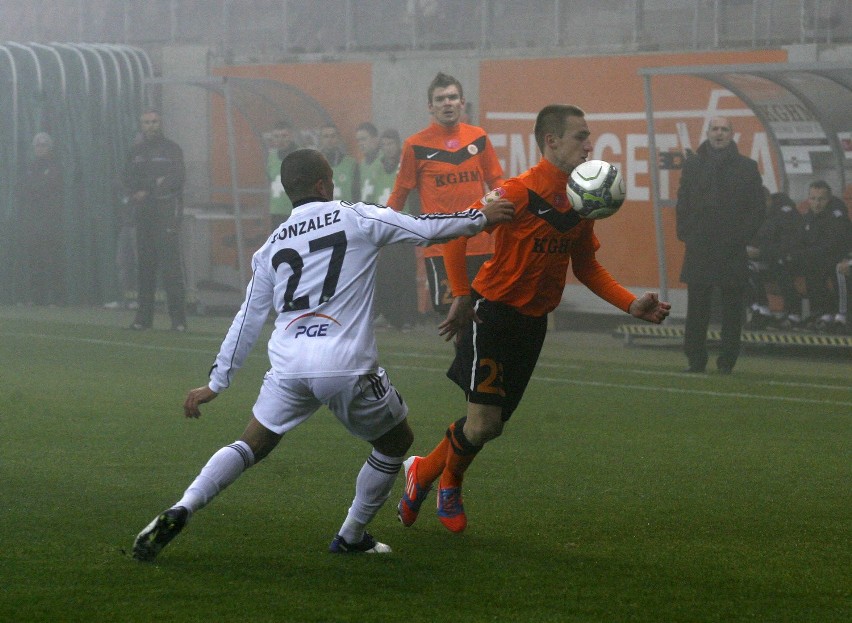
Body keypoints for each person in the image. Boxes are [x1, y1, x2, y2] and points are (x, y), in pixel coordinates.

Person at [131, 148, 514, 560]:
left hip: (289, 365)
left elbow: (248, 318)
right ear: (321, 184)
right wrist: (480, 218)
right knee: (396, 440)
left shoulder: (272, 246)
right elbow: (424, 229)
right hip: (344, 363)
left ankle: (184, 505)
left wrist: (216, 382)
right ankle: (351, 536)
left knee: (252, 443)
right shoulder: (355, 216)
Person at [395, 105, 671, 534]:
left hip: (532, 322)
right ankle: (444, 479)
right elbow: (455, 233)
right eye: (580, 136)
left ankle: (425, 473)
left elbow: (587, 267)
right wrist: (462, 294)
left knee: (491, 426)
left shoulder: (581, 200)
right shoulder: (517, 192)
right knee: (483, 423)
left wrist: (630, 304)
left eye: (589, 136)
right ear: (551, 142)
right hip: (492, 314)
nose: (588, 144)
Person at [387, 72, 504, 314]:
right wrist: (382, 225)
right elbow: (401, 191)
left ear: (462, 102)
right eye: (440, 99)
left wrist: (493, 206)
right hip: (441, 246)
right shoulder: (415, 145)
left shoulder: (478, 137)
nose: (447, 103)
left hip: (480, 244)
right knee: (457, 318)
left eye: (452, 97)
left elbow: (497, 183)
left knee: (487, 315)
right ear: (431, 107)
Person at [675, 116, 764, 374]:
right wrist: (686, 234)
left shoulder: (747, 167)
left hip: (731, 246)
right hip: (700, 244)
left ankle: (727, 362)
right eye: (715, 129)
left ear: (732, 134)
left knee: (732, 308)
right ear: (708, 132)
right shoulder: (693, 165)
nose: (719, 134)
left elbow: (757, 208)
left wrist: (740, 237)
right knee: (697, 307)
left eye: (724, 129)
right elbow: (683, 202)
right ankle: (695, 360)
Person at [124, 108, 188, 332]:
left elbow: (176, 178)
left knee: (171, 269)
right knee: (145, 268)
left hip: (166, 213)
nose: (150, 125)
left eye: (154, 121)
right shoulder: (135, 152)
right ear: (141, 125)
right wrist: (143, 188)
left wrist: (148, 188)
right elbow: (127, 178)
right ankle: (143, 319)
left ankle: (178, 321)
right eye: (146, 122)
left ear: (160, 123)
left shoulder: (171, 149)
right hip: (144, 215)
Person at [774, 180, 851, 330]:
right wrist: (789, 254)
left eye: (821, 199)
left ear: (828, 199)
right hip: (812, 258)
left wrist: (803, 254)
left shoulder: (837, 217)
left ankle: (829, 314)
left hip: (832, 259)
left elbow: (832, 247)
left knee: (817, 265)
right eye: (813, 199)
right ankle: (794, 313)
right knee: (781, 262)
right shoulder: (808, 217)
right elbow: (798, 241)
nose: (816, 203)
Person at [367, 129, 419, 330]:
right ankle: (388, 315)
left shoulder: (405, 164)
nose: (387, 149)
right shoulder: (377, 168)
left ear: (398, 145)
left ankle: (408, 317)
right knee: (386, 272)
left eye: (391, 144)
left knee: (405, 272)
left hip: (403, 225)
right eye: (384, 145)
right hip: (384, 225)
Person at [745, 191, 804, 328]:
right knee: (742, 266)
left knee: (780, 263)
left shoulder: (786, 214)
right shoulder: (761, 216)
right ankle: (761, 309)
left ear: (768, 199)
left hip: (792, 260)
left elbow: (789, 244)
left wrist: (761, 252)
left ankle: (794, 314)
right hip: (768, 258)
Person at [19, 132, 64, 306]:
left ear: (50, 147)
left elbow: (49, 187)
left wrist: (36, 188)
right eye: (37, 145)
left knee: (52, 259)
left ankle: (57, 299)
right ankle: (36, 298)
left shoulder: (55, 166)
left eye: (44, 145)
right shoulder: (29, 167)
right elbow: (23, 188)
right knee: (34, 260)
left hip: (51, 221)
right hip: (33, 221)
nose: (40, 148)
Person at [267, 121, 299, 230]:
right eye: (276, 136)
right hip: (276, 211)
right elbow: (269, 180)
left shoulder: (302, 155)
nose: (280, 140)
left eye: (284, 136)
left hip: (296, 210)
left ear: (291, 136)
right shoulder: (271, 157)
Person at [318, 123, 359, 202]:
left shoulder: (351, 163)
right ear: (321, 139)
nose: (329, 140)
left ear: (338, 138)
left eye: (333, 136)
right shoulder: (313, 164)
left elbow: (356, 192)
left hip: (345, 211)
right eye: (326, 136)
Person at [355, 121, 381, 201]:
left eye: (363, 139)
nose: (360, 143)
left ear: (375, 139)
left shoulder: (386, 162)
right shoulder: (360, 166)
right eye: (358, 140)